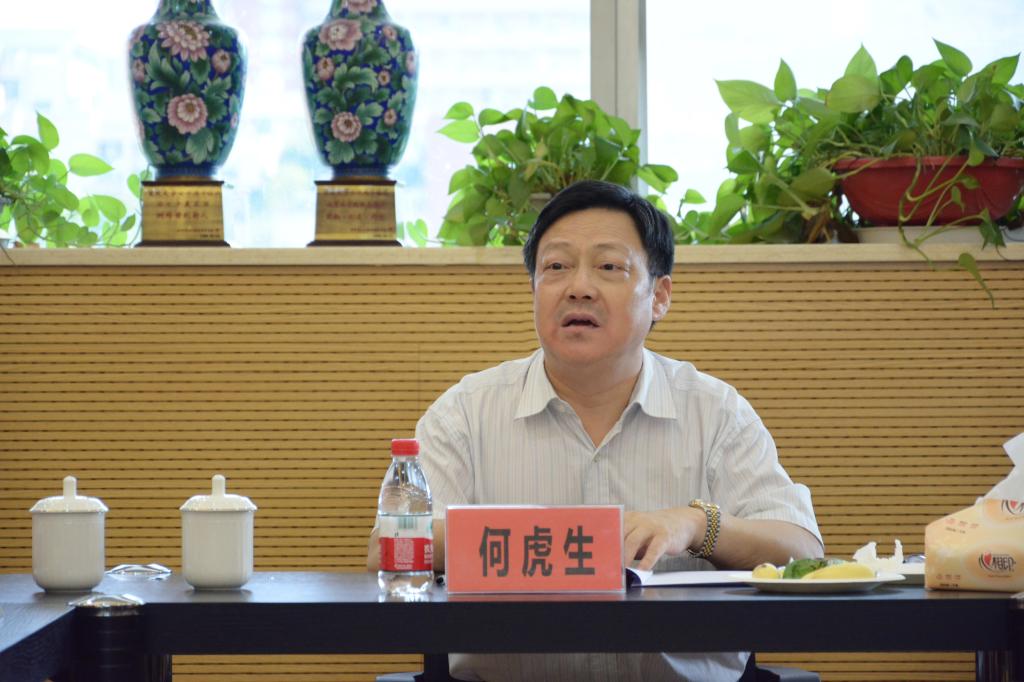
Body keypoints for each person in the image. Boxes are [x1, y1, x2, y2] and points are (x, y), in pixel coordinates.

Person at [367, 179, 823, 682]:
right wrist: (553, 540)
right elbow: (387, 548)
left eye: (609, 267)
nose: (578, 287)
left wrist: (696, 526)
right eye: (556, 267)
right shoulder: (466, 413)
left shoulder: (714, 412)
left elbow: (802, 550)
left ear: (659, 296)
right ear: (533, 289)